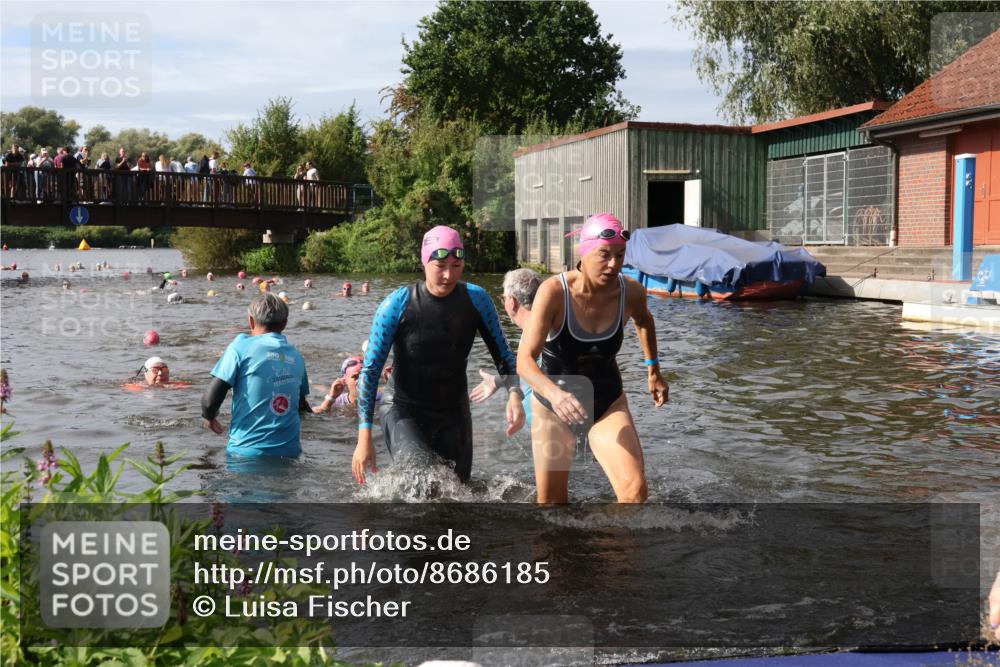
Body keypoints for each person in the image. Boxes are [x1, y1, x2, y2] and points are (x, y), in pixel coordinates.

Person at [352, 225, 525, 484]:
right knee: (422, 481)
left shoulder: (477, 300)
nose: (448, 275)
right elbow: (370, 371)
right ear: (424, 261)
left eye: (457, 265)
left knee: (457, 495)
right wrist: (364, 436)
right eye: (440, 265)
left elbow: (504, 355)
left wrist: (514, 395)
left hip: (453, 413)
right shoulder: (396, 304)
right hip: (403, 409)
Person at [517, 213, 668, 504]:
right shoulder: (553, 293)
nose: (613, 265)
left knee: (635, 493)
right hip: (553, 407)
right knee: (552, 506)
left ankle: (610, 545)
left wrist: (654, 371)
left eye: (620, 256)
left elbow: (645, 321)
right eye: (604, 255)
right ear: (583, 252)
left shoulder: (631, 292)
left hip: (606, 402)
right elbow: (524, 361)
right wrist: (555, 394)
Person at [201, 293, 313, 458]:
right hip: (290, 453)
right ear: (285, 323)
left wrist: (209, 418)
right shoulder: (296, 356)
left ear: (251, 320)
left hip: (246, 453)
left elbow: (209, 401)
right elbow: (301, 406)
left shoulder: (239, 348)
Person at [469, 268, 542, 425]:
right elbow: (537, 372)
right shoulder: (540, 327)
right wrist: (498, 380)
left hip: (542, 427)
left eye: (503, 299)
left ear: (512, 301)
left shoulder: (537, 334)